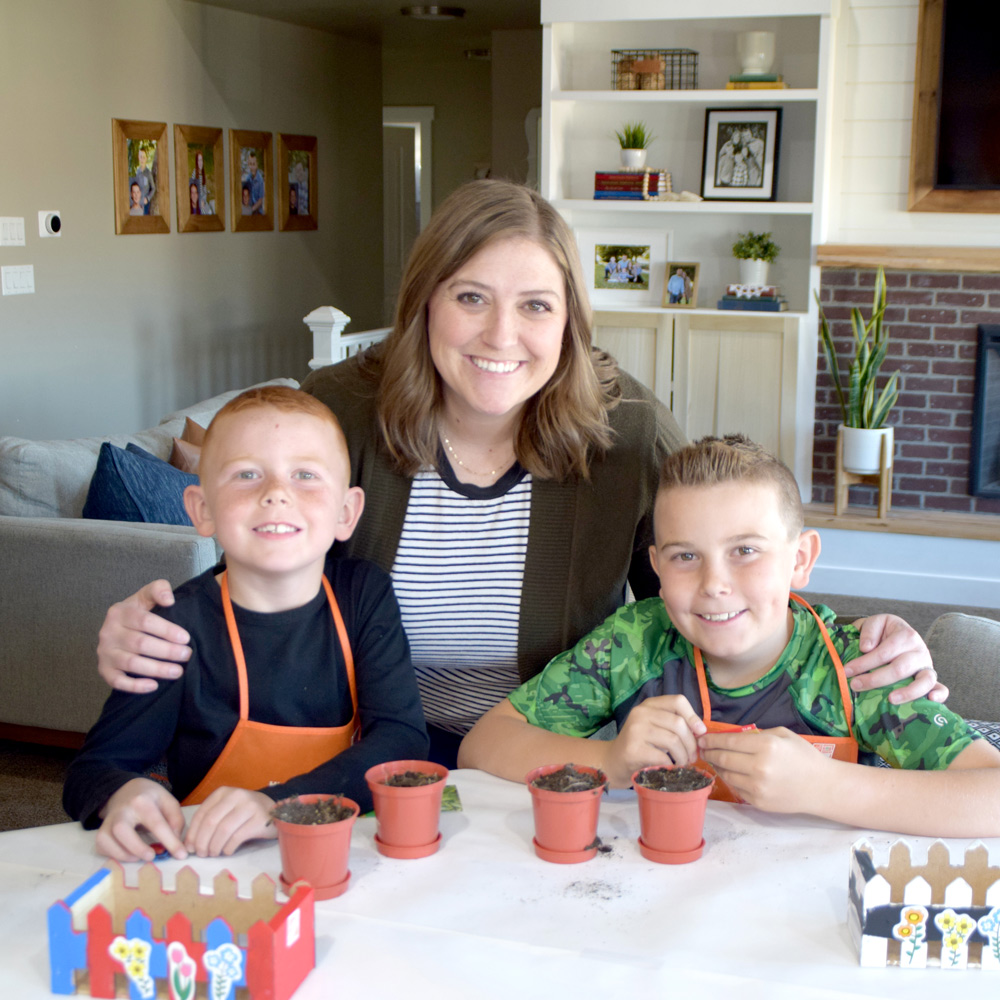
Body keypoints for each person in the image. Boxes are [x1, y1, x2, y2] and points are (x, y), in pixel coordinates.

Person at [94, 180, 942, 770]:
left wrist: (863, 640)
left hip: (555, 752)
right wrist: (160, 621)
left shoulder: (628, 432)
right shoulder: (340, 409)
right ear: (424, 301)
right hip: (346, 750)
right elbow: (262, 542)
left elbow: (722, 564)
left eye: (536, 304)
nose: (502, 335)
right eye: (470, 297)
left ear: (569, 320)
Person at [459, 436, 1000, 838]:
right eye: (685, 556)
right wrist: (611, 761)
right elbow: (482, 745)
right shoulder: (636, 640)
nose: (714, 585)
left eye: (746, 550)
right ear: (656, 566)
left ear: (801, 559)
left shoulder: (858, 666)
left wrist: (826, 787)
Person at [65, 387, 428, 862]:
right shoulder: (175, 624)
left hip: (340, 851)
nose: (276, 493)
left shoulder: (364, 594)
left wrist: (277, 805)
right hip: (214, 865)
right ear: (202, 510)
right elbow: (95, 769)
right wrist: (124, 794)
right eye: (246, 474)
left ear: (346, 513)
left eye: (304, 474)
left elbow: (401, 741)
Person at [134, 146, 156, 215]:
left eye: (143, 157)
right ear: (138, 157)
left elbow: (153, 188)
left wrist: (148, 198)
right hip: (138, 202)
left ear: (146, 159)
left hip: (145, 204)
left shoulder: (148, 173)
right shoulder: (137, 172)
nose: (142, 159)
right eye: (140, 157)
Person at [245, 150, 265, 215]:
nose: (252, 167)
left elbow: (260, 200)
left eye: (254, 164)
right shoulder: (248, 178)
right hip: (250, 209)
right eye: (250, 164)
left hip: (258, 211)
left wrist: (252, 209)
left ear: (257, 165)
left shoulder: (260, 180)